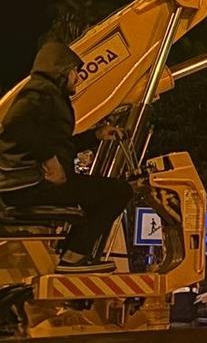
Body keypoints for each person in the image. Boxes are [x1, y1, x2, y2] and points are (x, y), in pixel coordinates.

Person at [0, 41, 132, 273]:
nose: (77, 77)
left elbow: (60, 145)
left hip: (28, 184)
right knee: (119, 191)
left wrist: (96, 135)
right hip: (30, 185)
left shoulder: (48, 94)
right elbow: (16, 125)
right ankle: (72, 258)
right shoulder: (40, 91)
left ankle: (70, 255)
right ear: (60, 70)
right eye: (74, 71)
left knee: (97, 193)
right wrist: (50, 161)